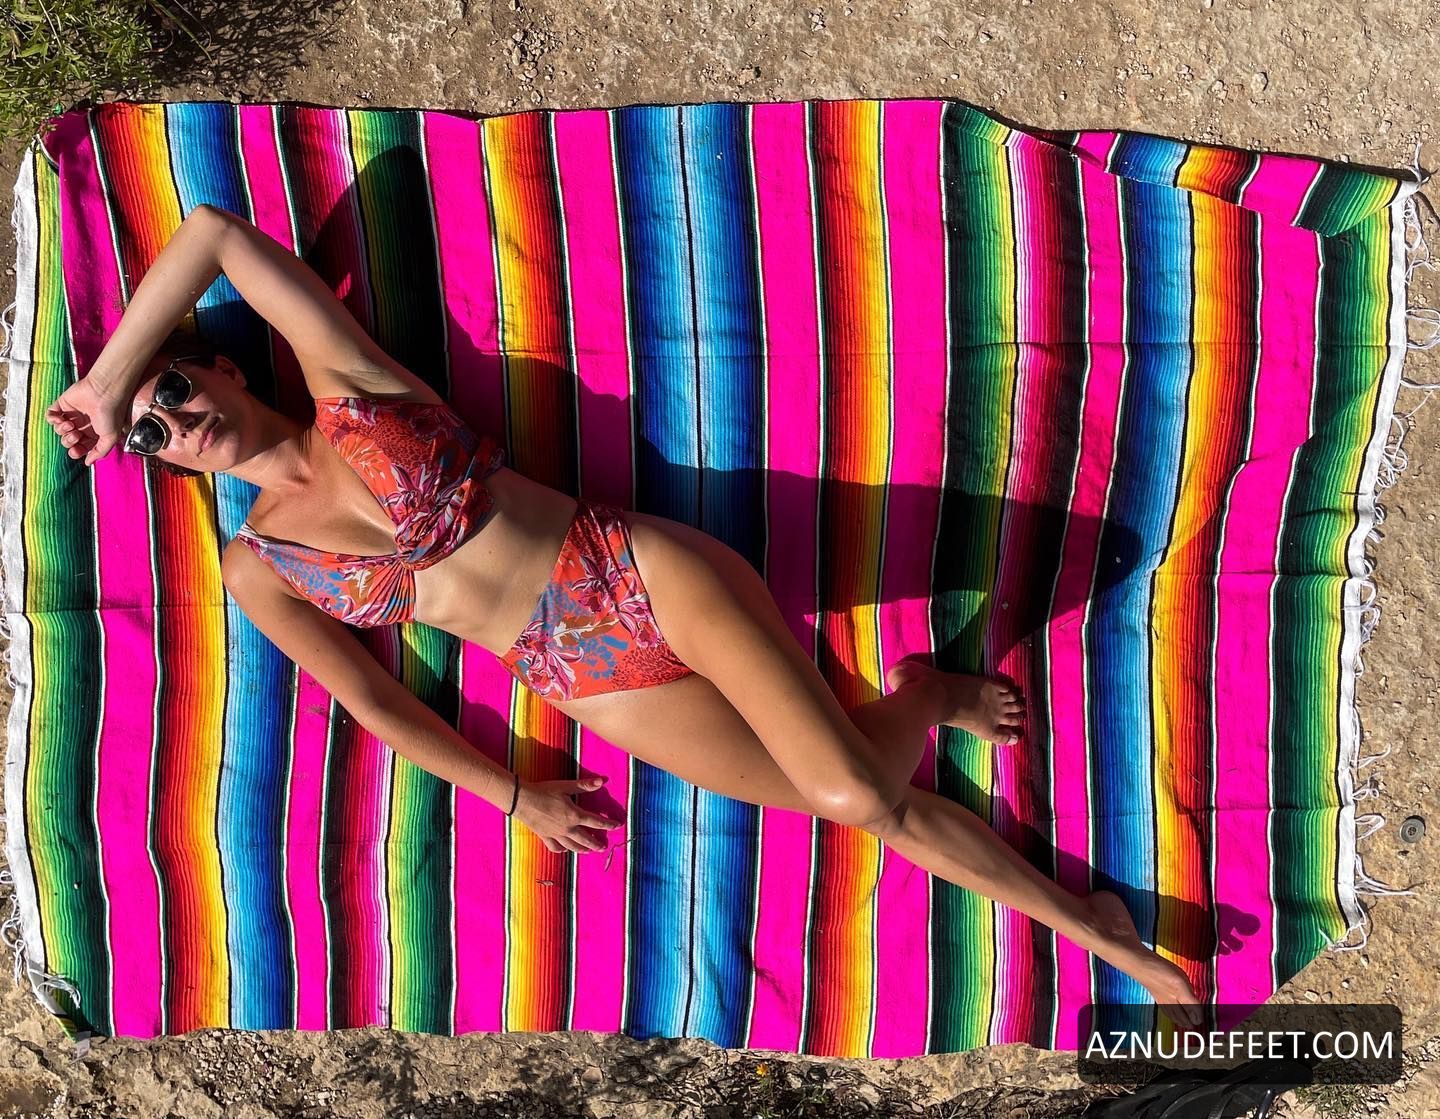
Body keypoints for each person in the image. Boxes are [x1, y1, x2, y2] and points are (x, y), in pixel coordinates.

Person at [43, 203, 1203, 1027]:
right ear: (165, 467)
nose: (173, 421)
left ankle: (947, 731)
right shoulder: (258, 569)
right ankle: (1079, 910)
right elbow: (375, 705)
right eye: (147, 433)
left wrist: (102, 384)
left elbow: (214, 234)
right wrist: (513, 795)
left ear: (227, 371)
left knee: (855, 789)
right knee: (855, 807)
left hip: (628, 568)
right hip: (576, 672)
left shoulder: (348, 384)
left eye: (173, 388)